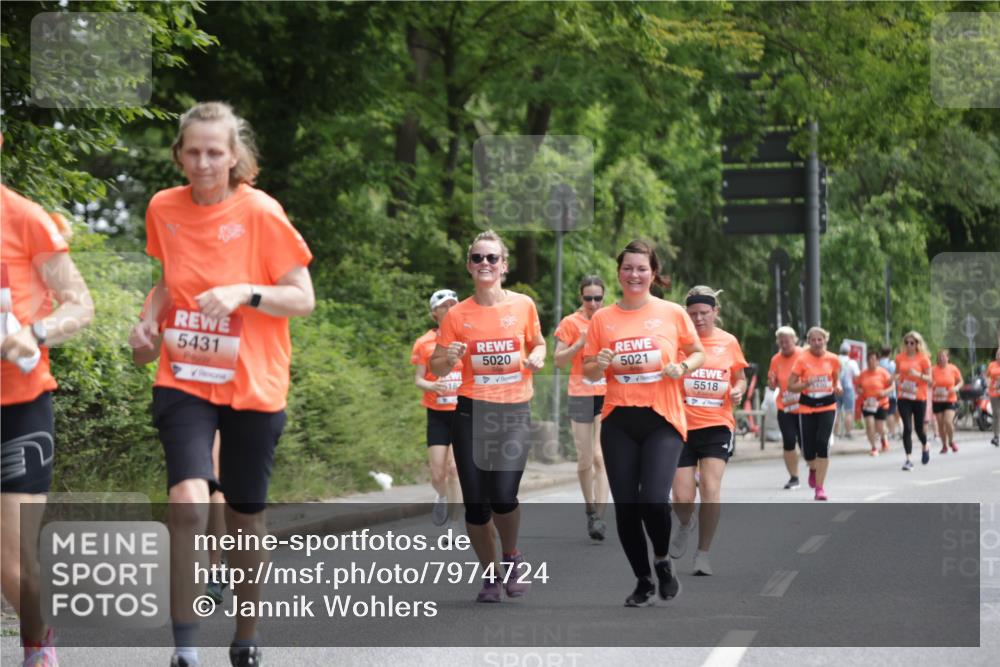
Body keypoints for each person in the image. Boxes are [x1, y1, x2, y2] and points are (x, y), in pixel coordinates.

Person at [128, 102, 314, 667]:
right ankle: (185, 649)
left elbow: (302, 298)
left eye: (215, 152)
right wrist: (147, 323)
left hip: (254, 383)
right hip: (184, 377)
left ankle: (246, 635)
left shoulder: (260, 211)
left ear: (234, 157)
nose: (204, 163)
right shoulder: (164, 207)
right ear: (179, 155)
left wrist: (244, 292)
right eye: (193, 152)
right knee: (186, 502)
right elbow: (169, 283)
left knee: (243, 517)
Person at [2, 170, 94, 667]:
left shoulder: (25, 219)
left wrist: (35, 332)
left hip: (18, 406)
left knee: (13, 559)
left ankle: (38, 643)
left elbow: (80, 305)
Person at [582, 240, 705, 607]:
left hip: (662, 418)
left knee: (652, 500)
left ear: (653, 273)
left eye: (641, 268)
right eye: (627, 268)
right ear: (619, 273)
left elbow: (697, 352)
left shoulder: (671, 313)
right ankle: (643, 580)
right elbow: (589, 371)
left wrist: (682, 366)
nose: (634, 274)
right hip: (619, 419)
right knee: (626, 507)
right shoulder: (602, 319)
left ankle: (662, 560)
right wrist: (600, 363)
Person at [429, 230, 545, 603]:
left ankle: (511, 556)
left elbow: (538, 343)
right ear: (469, 266)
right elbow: (437, 364)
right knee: (476, 505)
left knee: (503, 495)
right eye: (478, 258)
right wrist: (448, 358)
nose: (485, 264)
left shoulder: (523, 305)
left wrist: (538, 355)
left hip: (513, 412)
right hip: (470, 412)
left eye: (492, 258)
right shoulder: (457, 314)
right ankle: (491, 575)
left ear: (504, 266)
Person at [670, 286, 747, 577]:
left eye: (704, 313)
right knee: (682, 497)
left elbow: (740, 377)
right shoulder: (678, 342)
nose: (699, 318)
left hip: (717, 425)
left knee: (711, 489)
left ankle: (702, 554)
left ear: (715, 312)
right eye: (693, 314)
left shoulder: (729, 342)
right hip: (681, 425)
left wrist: (738, 390)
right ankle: (685, 522)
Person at [554, 276, 609, 541]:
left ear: (604, 297)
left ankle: (600, 517)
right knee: (585, 458)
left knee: (600, 456)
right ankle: (590, 509)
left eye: (598, 298)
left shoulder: (610, 320)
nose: (593, 303)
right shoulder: (570, 323)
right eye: (588, 298)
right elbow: (558, 361)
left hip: (607, 394)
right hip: (580, 394)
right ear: (581, 297)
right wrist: (579, 343)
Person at [410, 289, 463, 528]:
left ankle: (454, 525)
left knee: (453, 470)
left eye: (453, 305)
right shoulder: (424, 343)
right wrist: (432, 385)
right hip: (437, 415)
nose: (450, 309)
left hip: (461, 412)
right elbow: (418, 379)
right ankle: (441, 496)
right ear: (435, 313)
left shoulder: (466, 339)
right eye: (445, 306)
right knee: (437, 474)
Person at [787, 327, 841, 501]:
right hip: (807, 407)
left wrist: (838, 387)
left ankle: (819, 488)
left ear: (825, 340)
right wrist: (805, 385)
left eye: (820, 339)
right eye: (813, 340)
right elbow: (790, 386)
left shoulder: (833, 359)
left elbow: (835, 379)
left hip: (827, 406)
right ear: (808, 341)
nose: (817, 343)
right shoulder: (802, 359)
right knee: (808, 451)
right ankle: (812, 468)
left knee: (822, 444)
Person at [768, 326, 803, 489]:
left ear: (794, 340)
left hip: (804, 407)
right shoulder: (776, 359)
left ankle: (814, 468)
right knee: (789, 441)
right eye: (781, 342)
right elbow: (772, 384)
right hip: (785, 407)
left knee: (805, 444)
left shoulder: (803, 355)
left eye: (787, 341)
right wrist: (771, 382)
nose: (784, 345)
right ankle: (794, 477)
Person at [894, 331, 932, 470]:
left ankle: (925, 444)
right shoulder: (899, 358)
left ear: (917, 344)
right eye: (907, 343)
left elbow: (930, 379)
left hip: (919, 397)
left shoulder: (923, 359)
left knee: (919, 429)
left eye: (912, 343)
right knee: (907, 427)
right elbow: (897, 373)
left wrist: (918, 374)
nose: (909, 345)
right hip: (904, 396)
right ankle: (908, 459)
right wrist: (895, 378)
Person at [855, 350, 894, 456]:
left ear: (878, 361)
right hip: (867, 403)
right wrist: (859, 390)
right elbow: (858, 386)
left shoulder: (883, 373)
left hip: (881, 403)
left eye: (874, 359)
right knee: (869, 424)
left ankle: (883, 439)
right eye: (869, 359)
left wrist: (885, 392)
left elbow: (892, 386)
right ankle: (873, 447)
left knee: (880, 426)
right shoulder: (863, 374)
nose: (871, 361)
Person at [930, 349, 963, 455]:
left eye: (944, 356)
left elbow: (961, 381)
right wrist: (931, 384)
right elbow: (928, 381)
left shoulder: (953, 368)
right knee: (940, 424)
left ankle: (951, 441)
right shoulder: (933, 369)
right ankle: (944, 445)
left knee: (948, 421)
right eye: (940, 356)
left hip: (950, 399)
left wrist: (956, 388)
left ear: (948, 358)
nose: (941, 358)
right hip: (937, 400)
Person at [836, 343, 860, 438]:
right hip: (848, 388)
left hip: (836, 387)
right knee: (848, 411)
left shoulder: (835, 360)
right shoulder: (852, 362)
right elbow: (857, 376)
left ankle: (835, 433)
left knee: (836, 411)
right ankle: (848, 432)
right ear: (849, 351)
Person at [878, 346, 899, 443]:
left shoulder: (878, 363)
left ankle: (882, 432)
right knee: (891, 412)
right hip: (890, 392)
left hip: (879, 391)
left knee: (880, 414)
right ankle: (892, 432)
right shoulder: (891, 364)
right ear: (890, 353)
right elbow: (896, 376)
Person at [988, 348, 1000, 447]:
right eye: (997, 354)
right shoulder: (992, 365)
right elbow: (987, 376)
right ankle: (996, 436)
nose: (999, 356)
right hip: (994, 392)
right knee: (996, 414)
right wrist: (988, 384)